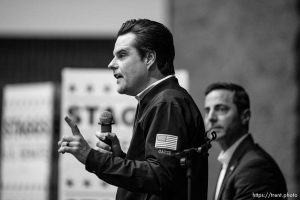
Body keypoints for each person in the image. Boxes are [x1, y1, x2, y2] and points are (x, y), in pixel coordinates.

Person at [58, 19, 208, 200]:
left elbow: (160, 176)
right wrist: (119, 158)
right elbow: (156, 174)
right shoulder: (155, 100)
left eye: (122, 55)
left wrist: (90, 157)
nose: (111, 64)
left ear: (149, 58)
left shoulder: (167, 103)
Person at [204, 82, 287, 200]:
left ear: (245, 116)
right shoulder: (231, 160)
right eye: (207, 111)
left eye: (221, 109)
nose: (211, 117)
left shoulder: (255, 167)